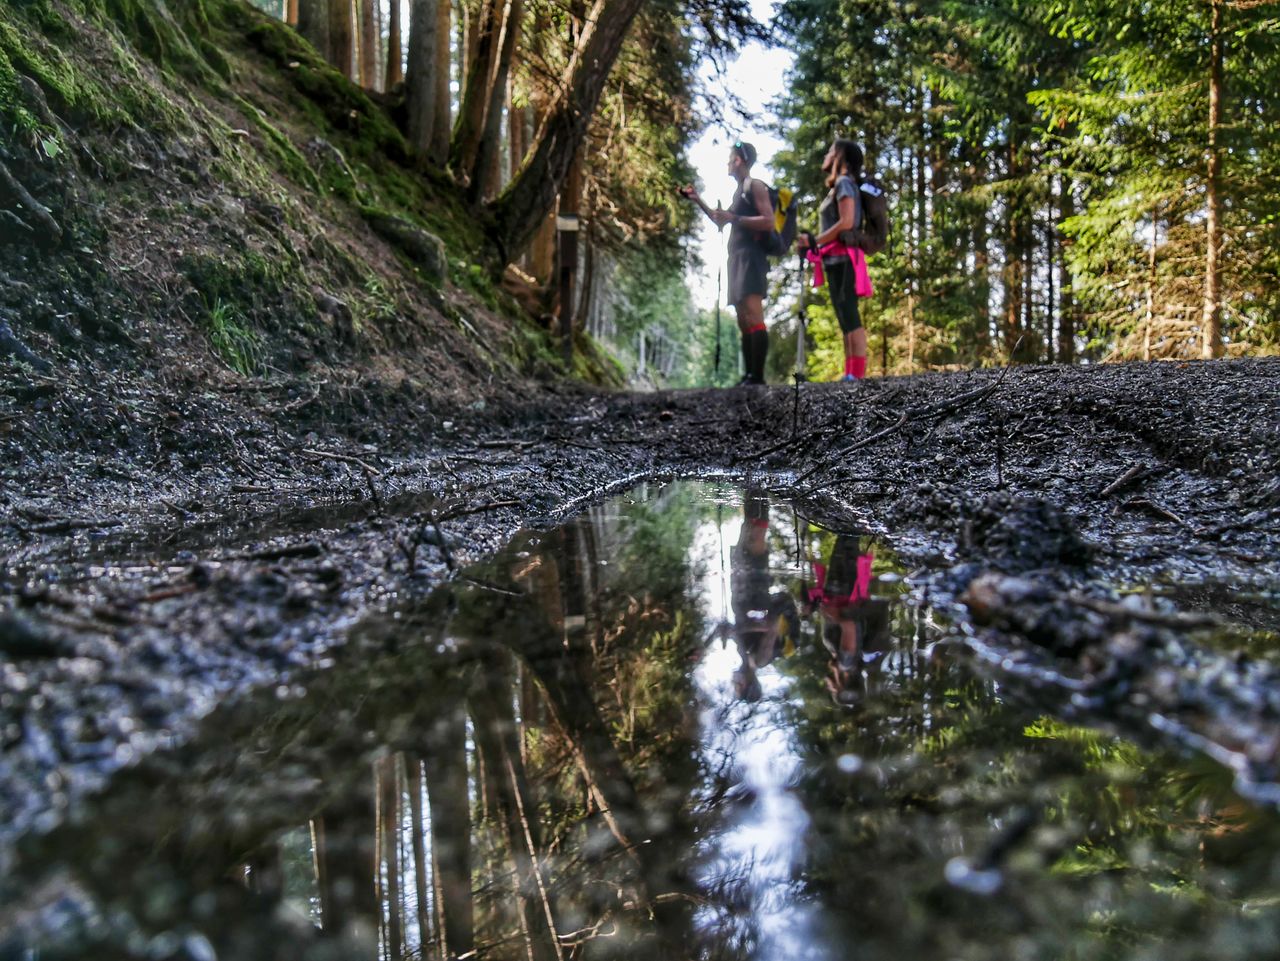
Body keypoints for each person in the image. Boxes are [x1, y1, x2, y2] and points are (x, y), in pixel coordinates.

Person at [680, 140, 776, 385]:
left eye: (730, 158)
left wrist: (734, 217)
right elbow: (721, 221)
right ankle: (749, 375)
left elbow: (768, 221)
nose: (727, 163)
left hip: (751, 258)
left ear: (738, 160)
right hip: (736, 258)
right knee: (743, 316)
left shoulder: (755, 186)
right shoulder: (739, 191)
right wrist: (697, 199)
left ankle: (758, 376)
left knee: (754, 314)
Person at [795, 139, 873, 382]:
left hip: (845, 256)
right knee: (843, 312)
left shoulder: (843, 183)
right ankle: (850, 372)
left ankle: (856, 375)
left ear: (840, 156)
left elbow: (847, 222)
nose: (826, 155)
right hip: (833, 259)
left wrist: (815, 241)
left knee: (849, 311)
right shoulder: (840, 185)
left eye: (830, 151)